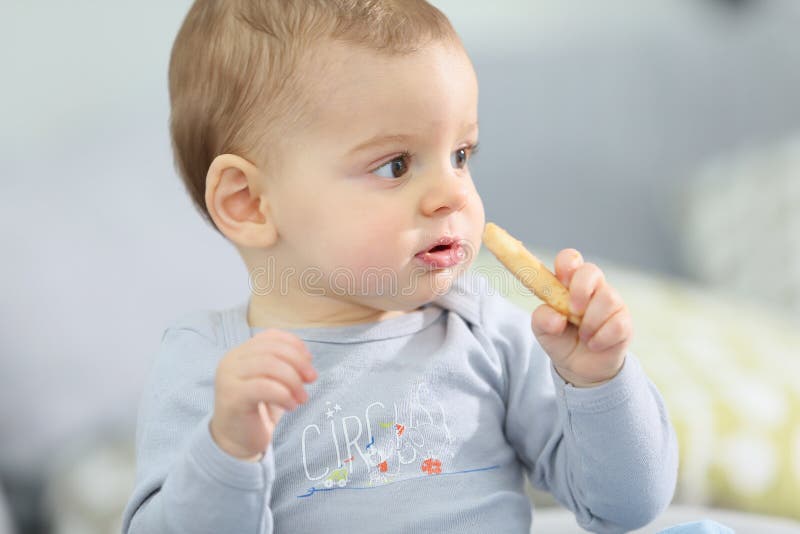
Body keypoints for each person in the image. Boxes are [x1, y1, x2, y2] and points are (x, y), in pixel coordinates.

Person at [121, 1, 678, 532]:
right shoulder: (212, 365)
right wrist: (228, 452)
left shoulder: (486, 331)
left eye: (461, 155)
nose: (451, 195)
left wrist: (598, 381)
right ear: (249, 202)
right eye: (395, 165)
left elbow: (626, 507)